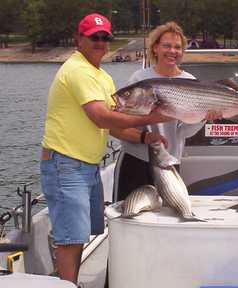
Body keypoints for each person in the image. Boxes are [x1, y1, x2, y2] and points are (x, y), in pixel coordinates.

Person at [40, 13, 171, 285]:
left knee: (83, 232)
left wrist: (146, 138)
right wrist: (151, 119)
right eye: (94, 37)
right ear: (79, 39)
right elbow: (101, 117)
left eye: (105, 37)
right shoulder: (77, 71)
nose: (100, 42)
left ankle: (66, 280)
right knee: (72, 238)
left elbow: (113, 128)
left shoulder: (102, 76)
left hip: (87, 166)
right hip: (66, 164)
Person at [113, 21, 221, 202]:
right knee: (129, 212)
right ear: (155, 48)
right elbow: (119, 123)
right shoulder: (140, 78)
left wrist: (204, 118)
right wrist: (144, 135)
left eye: (177, 47)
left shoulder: (190, 81)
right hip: (136, 158)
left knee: (165, 216)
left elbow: (184, 132)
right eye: (167, 46)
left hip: (169, 161)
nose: (172, 51)